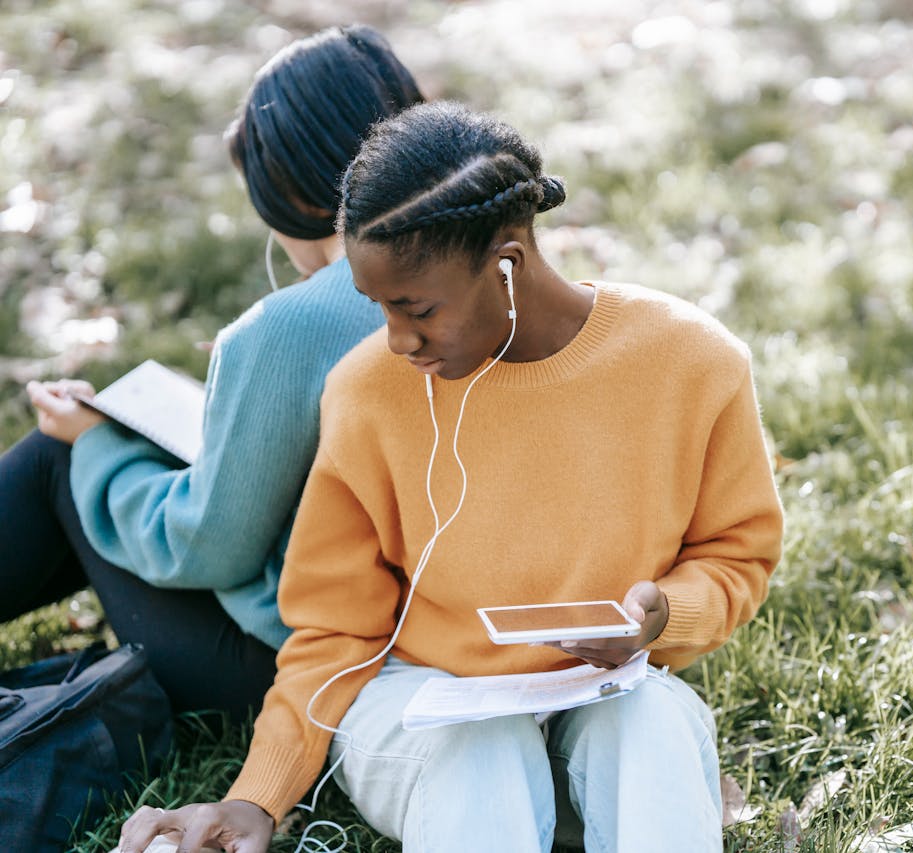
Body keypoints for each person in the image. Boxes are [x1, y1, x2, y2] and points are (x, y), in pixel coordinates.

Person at [117, 101, 785, 853]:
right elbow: (336, 630)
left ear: (506, 265)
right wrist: (257, 797)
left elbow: (737, 553)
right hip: (425, 710)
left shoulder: (693, 360)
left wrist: (665, 613)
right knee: (483, 747)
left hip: (606, 696)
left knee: (651, 725)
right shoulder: (366, 390)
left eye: (416, 308)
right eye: (380, 309)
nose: (398, 340)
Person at [0, 25, 421, 717]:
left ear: (291, 192)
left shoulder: (291, 326)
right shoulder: (484, 274)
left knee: (59, 461)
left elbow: (206, 546)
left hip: (303, 668)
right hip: (447, 646)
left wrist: (98, 445)